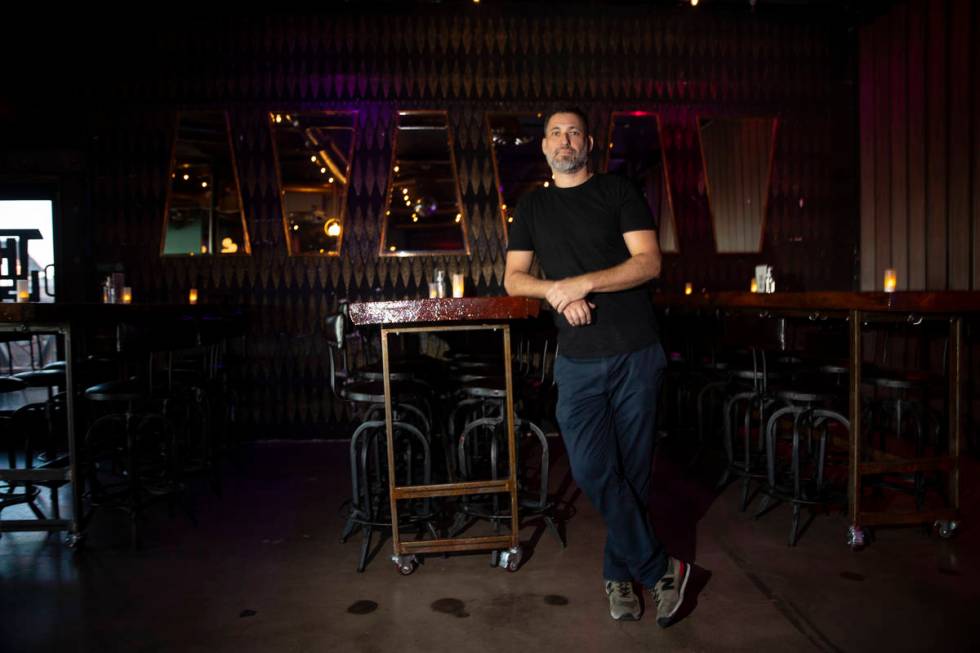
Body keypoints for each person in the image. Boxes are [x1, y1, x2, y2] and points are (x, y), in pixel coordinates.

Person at [503, 107, 690, 627]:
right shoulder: (533, 207)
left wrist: (582, 282)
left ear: (589, 144)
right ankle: (659, 567)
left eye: (574, 133)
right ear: (544, 147)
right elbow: (515, 279)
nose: (565, 141)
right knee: (589, 469)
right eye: (555, 134)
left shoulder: (618, 192)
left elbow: (649, 262)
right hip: (579, 359)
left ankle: (618, 577)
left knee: (632, 474)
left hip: (635, 350)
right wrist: (558, 293)